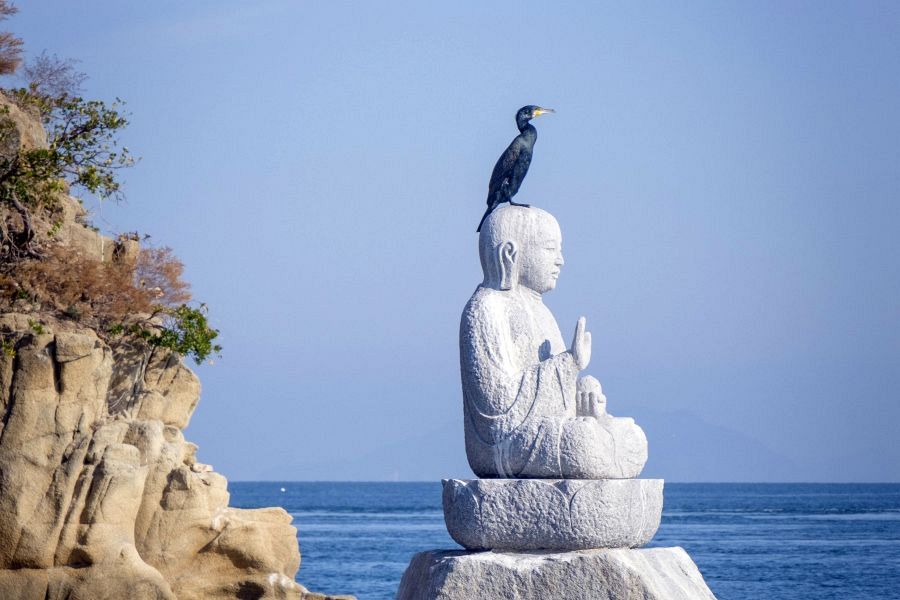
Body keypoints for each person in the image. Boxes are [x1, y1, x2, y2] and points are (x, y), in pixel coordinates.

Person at [460, 205, 647, 479]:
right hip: (503, 445)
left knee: (633, 438)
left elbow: (559, 399)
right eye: (550, 249)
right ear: (510, 253)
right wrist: (568, 364)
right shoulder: (486, 308)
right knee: (582, 444)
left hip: (545, 432)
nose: (561, 260)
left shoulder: (543, 312)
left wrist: (585, 395)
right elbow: (497, 406)